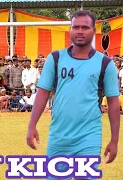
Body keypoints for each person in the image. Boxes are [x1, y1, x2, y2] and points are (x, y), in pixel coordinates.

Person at [26, 10, 120, 180]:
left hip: (89, 137)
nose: (80, 31)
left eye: (85, 27)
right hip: (58, 137)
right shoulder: (55, 58)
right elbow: (42, 93)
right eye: (75, 27)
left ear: (93, 30)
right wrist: (32, 125)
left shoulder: (106, 64)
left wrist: (114, 140)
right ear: (70, 29)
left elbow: (113, 102)